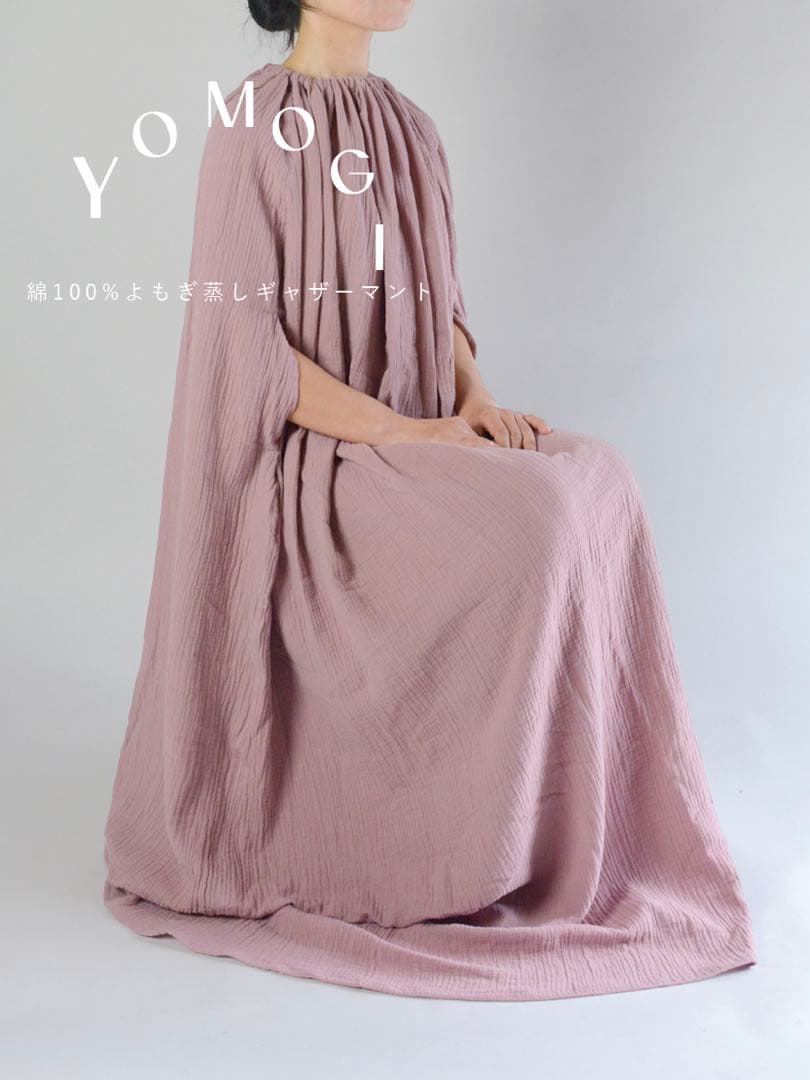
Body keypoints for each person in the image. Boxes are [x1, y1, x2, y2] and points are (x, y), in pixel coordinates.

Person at [102, 0, 757, 1002]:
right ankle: (459, 842)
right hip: (319, 469)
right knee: (536, 523)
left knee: (602, 481)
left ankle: (574, 832)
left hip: (425, 431)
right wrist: (408, 436)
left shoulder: (411, 129)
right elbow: (243, 349)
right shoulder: (251, 127)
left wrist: (475, 405)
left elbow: (439, 308)